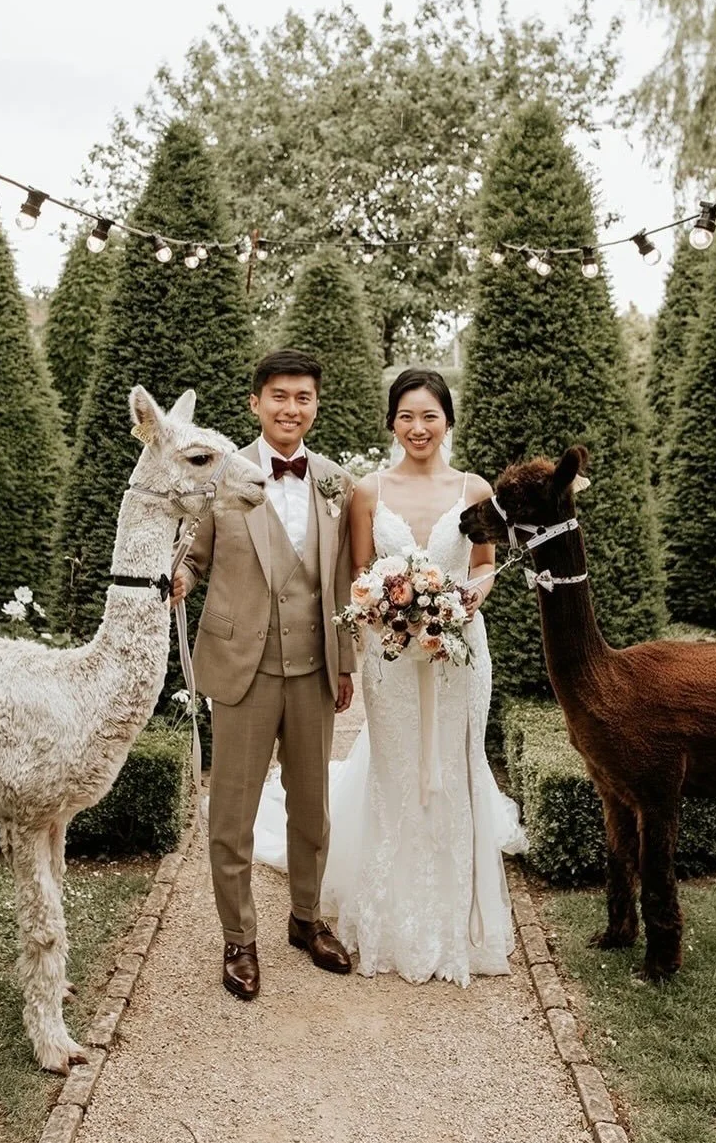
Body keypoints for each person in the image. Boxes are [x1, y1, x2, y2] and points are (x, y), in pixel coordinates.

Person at [255, 367, 525, 986]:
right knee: (399, 769)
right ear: (391, 423)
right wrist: (387, 613)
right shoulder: (366, 491)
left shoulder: (475, 488)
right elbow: (357, 571)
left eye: (429, 415)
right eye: (406, 416)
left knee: (456, 767)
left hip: (461, 651)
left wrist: (463, 601)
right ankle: (391, 914)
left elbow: (485, 564)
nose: (418, 427)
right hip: (392, 657)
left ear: (448, 421)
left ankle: (458, 918)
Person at [173, 349, 357, 1001]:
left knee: (314, 811)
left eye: (302, 396)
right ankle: (239, 938)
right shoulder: (219, 477)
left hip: (313, 671)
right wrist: (177, 578)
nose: (290, 408)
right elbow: (191, 556)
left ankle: (306, 921)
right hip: (242, 670)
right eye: (279, 395)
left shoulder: (336, 481)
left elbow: (342, 583)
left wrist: (346, 663)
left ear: (315, 405)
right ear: (255, 403)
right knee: (232, 815)